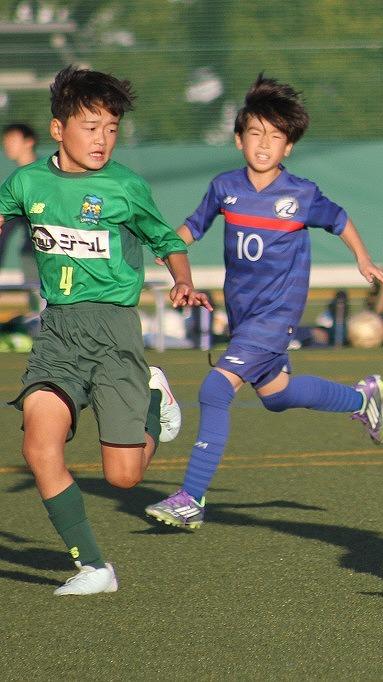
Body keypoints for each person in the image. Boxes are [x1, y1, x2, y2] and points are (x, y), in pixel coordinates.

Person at [145, 74, 383, 530]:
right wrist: (163, 248)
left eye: (276, 136)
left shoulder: (301, 194)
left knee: (215, 389)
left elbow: (339, 219)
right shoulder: (224, 187)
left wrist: (364, 260)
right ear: (239, 139)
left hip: (277, 316)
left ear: (289, 147)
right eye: (256, 133)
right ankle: (361, 399)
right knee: (277, 395)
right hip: (243, 317)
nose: (264, 143)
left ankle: (191, 498)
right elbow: (190, 229)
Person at [0, 65, 209, 595]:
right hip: (58, 331)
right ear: (58, 129)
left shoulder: (125, 186)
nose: (102, 139)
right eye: (91, 127)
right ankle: (94, 567)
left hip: (115, 332)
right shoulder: (26, 182)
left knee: (123, 477)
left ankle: (152, 398)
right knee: (38, 446)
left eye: (111, 129)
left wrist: (183, 281)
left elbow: (167, 240)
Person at [1, 123, 42, 313]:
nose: (7, 144)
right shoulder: (15, 182)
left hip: (53, 252)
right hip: (30, 254)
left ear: (29, 142)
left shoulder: (45, 176)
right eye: (5, 140)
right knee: (36, 307)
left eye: (12, 139)